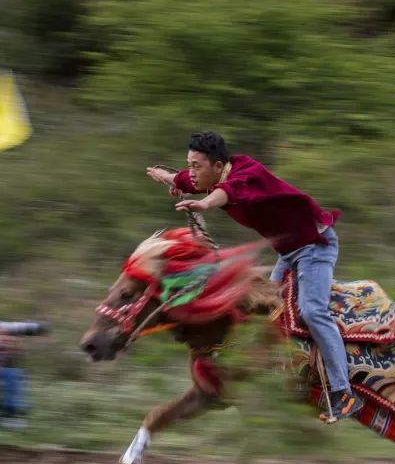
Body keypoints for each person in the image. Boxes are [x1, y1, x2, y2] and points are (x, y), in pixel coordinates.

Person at [146, 132, 362, 421]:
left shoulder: (247, 175)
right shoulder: (211, 176)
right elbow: (187, 180)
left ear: (218, 165)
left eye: (197, 166)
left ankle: (343, 392)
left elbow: (229, 193)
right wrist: (165, 175)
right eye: (190, 164)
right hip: (288, 252)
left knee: (312, 311)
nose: (192, 172)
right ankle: (286, 376)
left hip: (314, 245)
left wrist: (205, 205)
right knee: (265, 309)